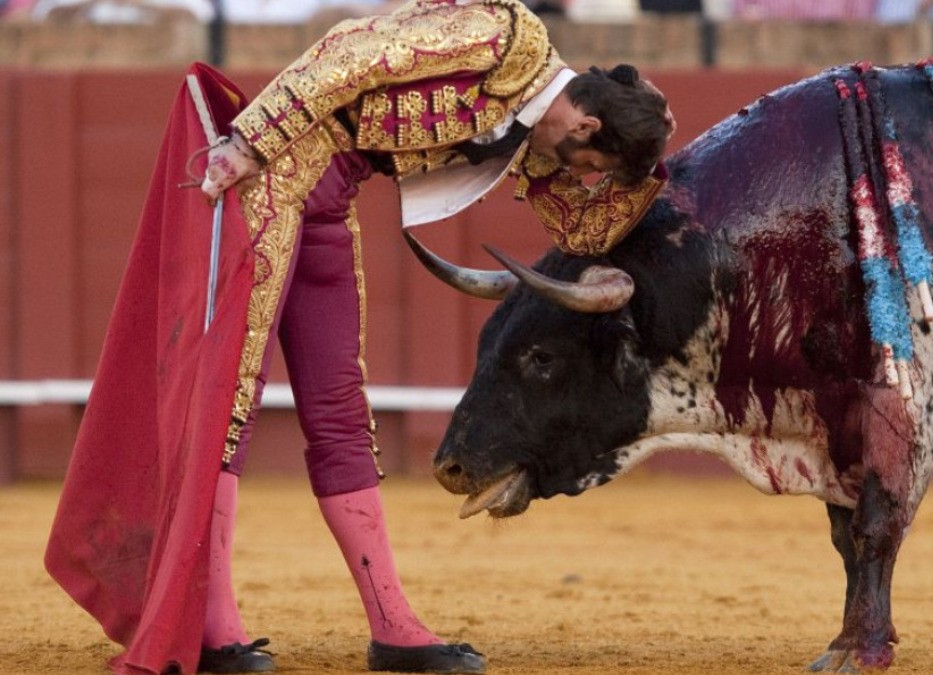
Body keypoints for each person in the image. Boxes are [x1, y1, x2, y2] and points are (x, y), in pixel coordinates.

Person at [44, 0, 673, 673]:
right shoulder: (507, 36)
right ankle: (215, 627)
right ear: (585, 122)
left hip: (329, 193)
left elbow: (581, 231)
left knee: (341, 409)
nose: (582, 179)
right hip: (269, 180)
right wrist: (248, 140)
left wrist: (657, 172)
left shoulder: (532, 130)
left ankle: (393, 625)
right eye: (591, 164)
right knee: (230, 402)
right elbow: (347, 51)